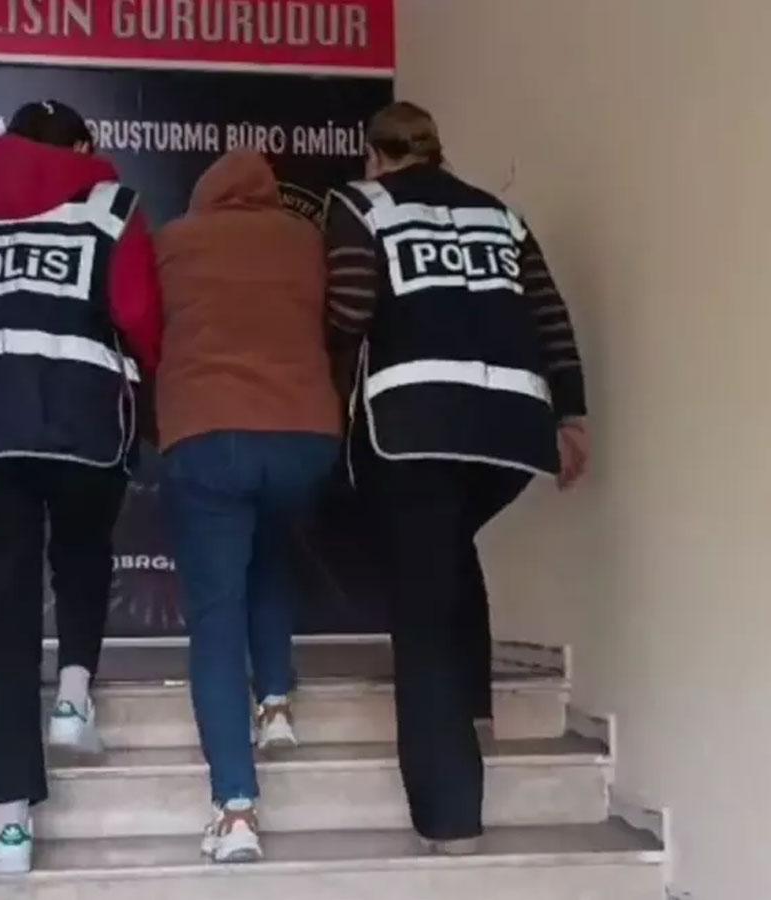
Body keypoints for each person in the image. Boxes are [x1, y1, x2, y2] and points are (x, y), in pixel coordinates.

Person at [323, 102, 590, 853]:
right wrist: (572, 414)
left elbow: (348, 308)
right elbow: (550, 316)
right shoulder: (500, 215)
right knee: (444, 552)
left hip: (414, 427)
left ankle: (451, 817)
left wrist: (323, 379)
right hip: (511, 432)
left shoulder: (360, 204)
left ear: (375, 156)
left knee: (420, 604)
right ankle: (475, 706)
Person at [0, 99, 162, 874]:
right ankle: (71, 698)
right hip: (80, 414)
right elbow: (137, 313)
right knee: (84, 552)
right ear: (84, 144)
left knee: (2, 619)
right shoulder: (111, 205)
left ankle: (10, 825)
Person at [155, 148, 342, 863]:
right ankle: (277, 703)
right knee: (271, 560)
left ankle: (236, 810)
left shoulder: (176, 241)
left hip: (209, 431)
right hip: (303, 434)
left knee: (215, 615)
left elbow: (143, 323)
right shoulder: (305, 240)